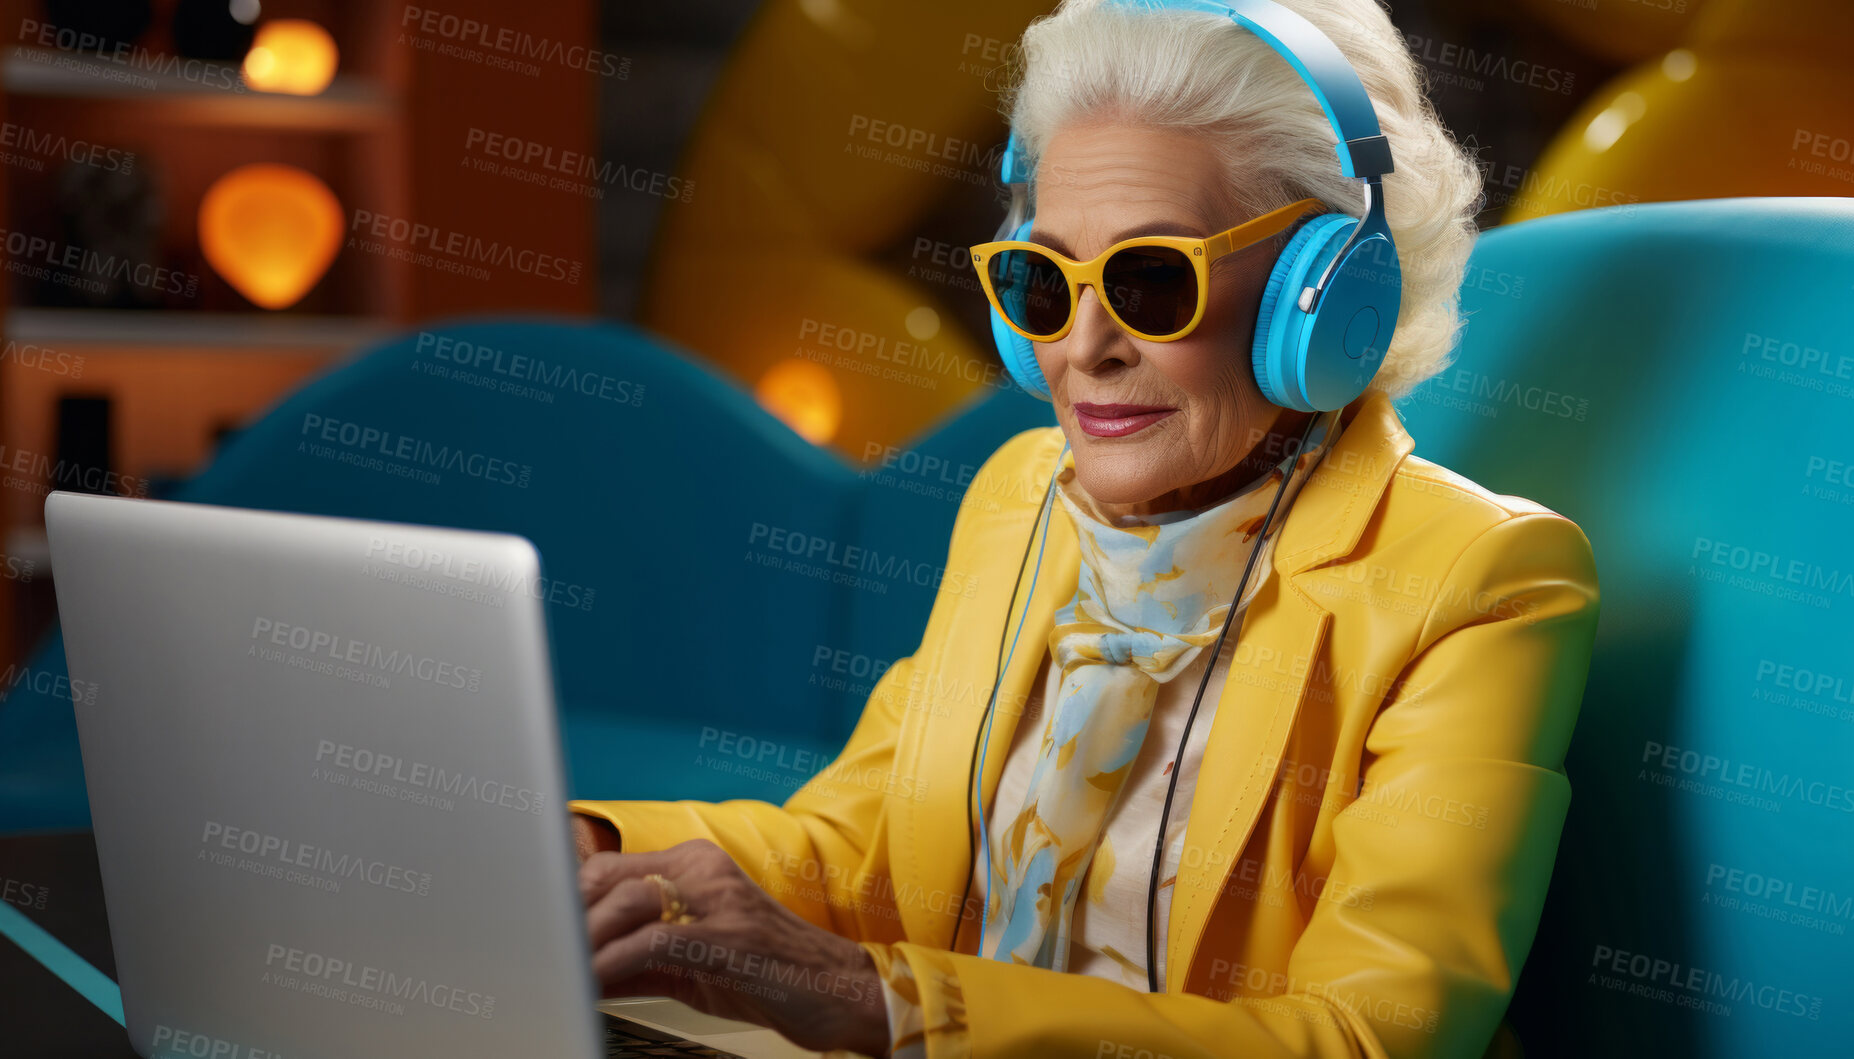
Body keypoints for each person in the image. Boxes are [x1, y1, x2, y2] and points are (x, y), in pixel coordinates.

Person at [570, 1, 1600, 1055]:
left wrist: (881, 1002)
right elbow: (858, 848)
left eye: (1152, 279)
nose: (1083, 347)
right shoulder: (1021, 496)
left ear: (1328, 297)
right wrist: (591, 850)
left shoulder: (1480, 583)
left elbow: (1366, 1038)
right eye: (1041, 281)